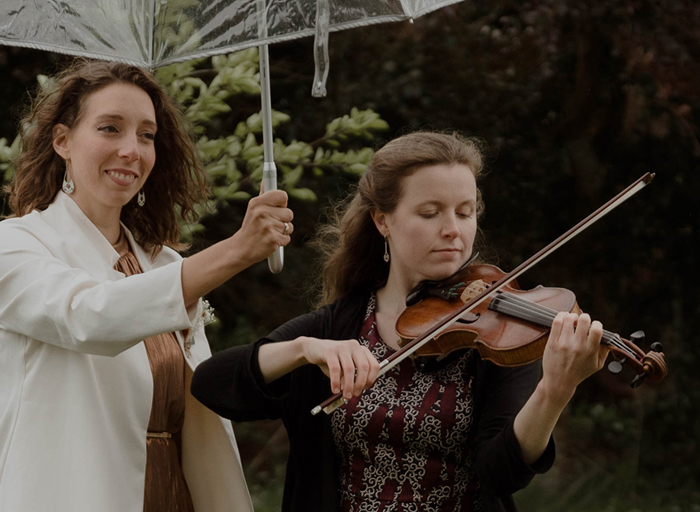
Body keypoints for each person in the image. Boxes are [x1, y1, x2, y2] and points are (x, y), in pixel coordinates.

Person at [190, 131, 610, 512]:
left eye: (464, 213)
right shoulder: (339, 326)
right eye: (430, 213)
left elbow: (501, 475)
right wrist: (304, 350)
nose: (452, 230)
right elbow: (212, 384)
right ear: (382, 220)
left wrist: (554, 391)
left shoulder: (498, 330)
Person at [0, 59, 294, 512]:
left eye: (146, 134)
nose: (131, 150)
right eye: (110, 128)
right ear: (62, 141)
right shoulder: (15, 245)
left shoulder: (163, 262)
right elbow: (90, 316)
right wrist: (238, 250)